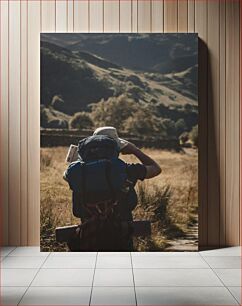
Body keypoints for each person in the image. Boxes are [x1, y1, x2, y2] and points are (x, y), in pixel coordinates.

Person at [64, 126, 161, 251]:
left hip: (88, 234)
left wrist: (80, 161)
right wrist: (135, 150)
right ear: (116, 147)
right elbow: (155, 168)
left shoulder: (77, 171)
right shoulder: (127, 170)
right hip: (120, 233)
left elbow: (65, 176)